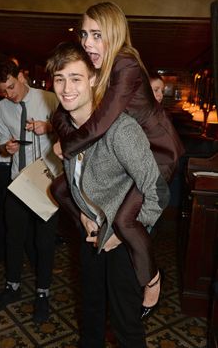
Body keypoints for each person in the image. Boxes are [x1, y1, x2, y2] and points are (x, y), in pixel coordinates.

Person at [51, 1, 184, 314]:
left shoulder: (125, 63)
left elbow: (100, 123)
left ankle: (152, 279)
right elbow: (64, 111)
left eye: (97, 35)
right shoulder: (101, 66)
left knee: (125, 221)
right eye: (84, 34)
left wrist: (68, 146)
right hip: (129, 152)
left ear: (114, 33)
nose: (87, 43)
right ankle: (94, 224)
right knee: (58, 188)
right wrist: (63, 135)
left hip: (158, 154)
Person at [46, 41, 170, 348]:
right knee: (90, 317)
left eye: (75, 78)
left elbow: (158, 191)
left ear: (91, 79)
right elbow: (77, 180)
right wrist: (85, 215)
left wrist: (121, 231)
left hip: (122, 241)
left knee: (125, 327)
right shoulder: (65, 127)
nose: (66, 88)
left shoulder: (120, 130)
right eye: (59, 79)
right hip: (91, 237)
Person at [0, 55, 62, 324]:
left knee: (44, 242)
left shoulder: (50, 99)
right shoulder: (1, 108)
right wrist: (6, 148)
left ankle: (43, 293)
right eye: (3, 91)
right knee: (13, 237)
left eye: (11, 87)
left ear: (21, 77)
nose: (9, 95)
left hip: (47, 182)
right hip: (18, 181)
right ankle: (12, 286)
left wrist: (50, 126)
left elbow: (73, 133)